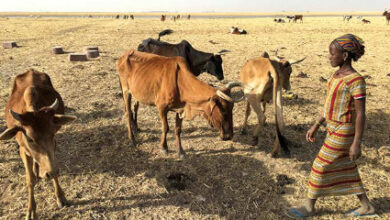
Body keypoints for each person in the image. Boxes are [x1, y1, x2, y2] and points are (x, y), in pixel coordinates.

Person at [286, 34, 377, 218]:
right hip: (331, 128)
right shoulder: (335, 75)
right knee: (346, 166)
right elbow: (329, 104)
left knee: (319, 165)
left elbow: (361, 113)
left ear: (344, 56)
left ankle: (309, 207)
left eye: (332, 53)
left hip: (344, 131)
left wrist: (356, 143)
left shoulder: (356, 80)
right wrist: (316, 125)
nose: (329, 56)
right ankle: (366, 206)